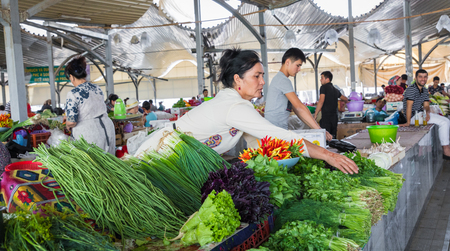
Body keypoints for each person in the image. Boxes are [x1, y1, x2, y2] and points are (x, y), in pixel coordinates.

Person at [135, 49, 358, 174]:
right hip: (158, 158)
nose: (262, 82)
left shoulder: (240, 104)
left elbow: (257, 143)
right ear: (238, 79)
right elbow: (281, 136)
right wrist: (329, 155)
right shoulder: (234, 106)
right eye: (256, 76)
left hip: (179, 164)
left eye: (262, 75)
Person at [265, 48, 333, 141]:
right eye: (298, 65)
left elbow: (297, 110)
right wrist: (319, 130)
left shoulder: (280, 80)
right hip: (275, 133)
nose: (299, 69)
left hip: (276, 131)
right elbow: (299, 107)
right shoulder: (282, 80)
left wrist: (317, 129)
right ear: (288, 62)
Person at [64, 56, 115, 154]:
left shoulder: (73, 93)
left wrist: (67, 124)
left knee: (94, 166)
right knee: (109, 162)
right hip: (107, 128)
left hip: (90, 133)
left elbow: (72, 122)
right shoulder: (96, 88)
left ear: (72, 76)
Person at [400, 69, 450, 159]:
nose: (423, 79)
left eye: (425, 77)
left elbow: (426, 105)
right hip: (413, 117)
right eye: (420, 77)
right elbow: (409, 106)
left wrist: (427, 113)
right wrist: (408, 122)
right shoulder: (411, 89)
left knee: (444, 121)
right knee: (445, 122)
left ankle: (422, 154)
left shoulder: (424, 90)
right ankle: (446, 149)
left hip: (420, 114)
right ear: (416, 78)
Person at [314, 71, 348, 139]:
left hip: (326, 118)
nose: (320, 80)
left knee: (326, 137)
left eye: (322, 78)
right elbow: (345, 99)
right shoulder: (335, 90)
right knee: (333, 137)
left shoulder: (323, 87)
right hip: (334, 117)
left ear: (327, 79)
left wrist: (315, 114)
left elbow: (321, 101)